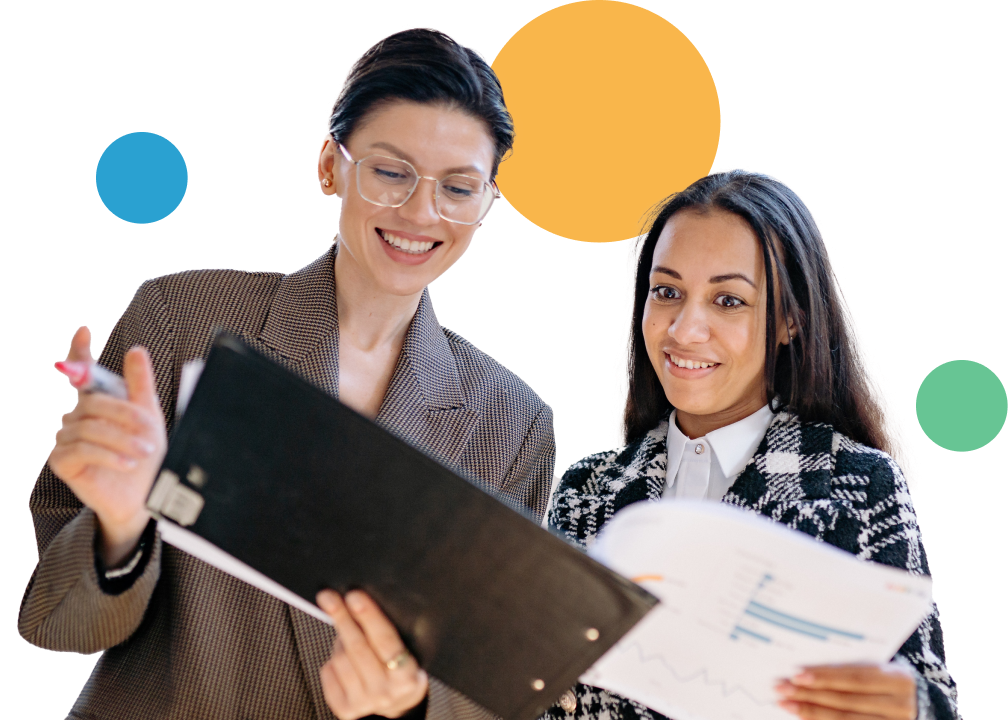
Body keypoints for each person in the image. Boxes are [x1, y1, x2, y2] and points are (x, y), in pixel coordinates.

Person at [19, 26, 556, 720]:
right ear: (331, 164)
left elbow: (492, 677)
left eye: (459, 187)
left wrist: (417, 700)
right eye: (392, 172)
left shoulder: (511, 420)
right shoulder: (181, 318)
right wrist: (122, 522)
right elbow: (59, 622)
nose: (423, 212)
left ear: (489, 203)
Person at [544, 168, 959, 720]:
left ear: (789, 320)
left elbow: (930, 697)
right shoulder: (584, 492)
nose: (684, 330)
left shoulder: (855, 484)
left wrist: (910, 710)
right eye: (667, 292)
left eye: (728, 301)